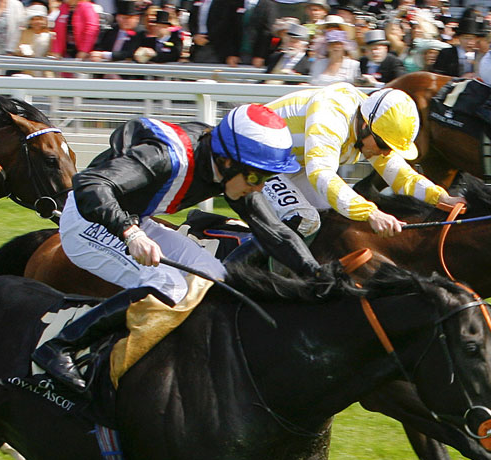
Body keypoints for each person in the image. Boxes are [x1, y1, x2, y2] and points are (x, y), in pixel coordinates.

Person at [32, 104, 320, 393]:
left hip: (133, 218)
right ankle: (61, 346)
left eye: (267, 179)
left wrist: (319, 277)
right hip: (87, 220)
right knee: (167, 284)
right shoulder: (165, 158)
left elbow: (277, 234)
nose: (259, 189)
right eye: (257, 177)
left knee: (214, 277)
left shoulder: (225, 164)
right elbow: (89, 183)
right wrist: (130, 232)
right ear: (228, 161)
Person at [262, 84, 466, 240]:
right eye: (383, 145)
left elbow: (400, 175)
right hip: (257, 161)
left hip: (291, 165)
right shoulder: (332, 115)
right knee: (305, 219)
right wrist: (371, 212)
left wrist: (441, 197)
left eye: (390, 148)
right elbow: (321, 174)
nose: (384, 152)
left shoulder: (370, 122)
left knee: (334, 217)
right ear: (365, 126)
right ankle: (233, 272)